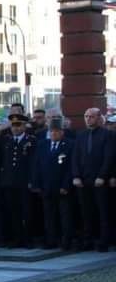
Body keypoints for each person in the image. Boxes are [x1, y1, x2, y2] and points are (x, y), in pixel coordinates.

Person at [72, 107, 113, 252]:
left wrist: (102, 176)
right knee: (86, 212)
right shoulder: (81, 135)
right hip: (83, 180)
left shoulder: (107, 135)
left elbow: (108, 158)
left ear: (99, 118)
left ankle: (103, 241)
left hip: (99, 180)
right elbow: (75, 157)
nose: (88, 119)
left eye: (92, 116)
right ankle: (87, 240)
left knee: (103, 212)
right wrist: (76, 176)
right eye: (86, 116)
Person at [31, 118, 74, 250]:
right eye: (51, 131)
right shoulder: (43, 144)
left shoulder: (69, 144)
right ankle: (51, 240)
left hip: (62, 187)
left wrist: (65, 185)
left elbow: (70, 167)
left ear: (62, 132)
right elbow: (37, 164)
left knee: (65, 216)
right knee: (49, 215)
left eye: (56, 131)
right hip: (46, 186)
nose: (53, 134)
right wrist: (36, 183)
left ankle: (66, 241)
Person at [0, 113, 36, 248]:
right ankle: (16, 238)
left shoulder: (31, 141)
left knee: (27, 211)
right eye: (13, 125)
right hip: (9, 182)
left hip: (24, 181)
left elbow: (33, 163)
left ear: (24, 126)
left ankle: (28, 239)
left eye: (18, 125)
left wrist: (32, 180)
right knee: (13, 212)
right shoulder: (6, 140)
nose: (15, 128)